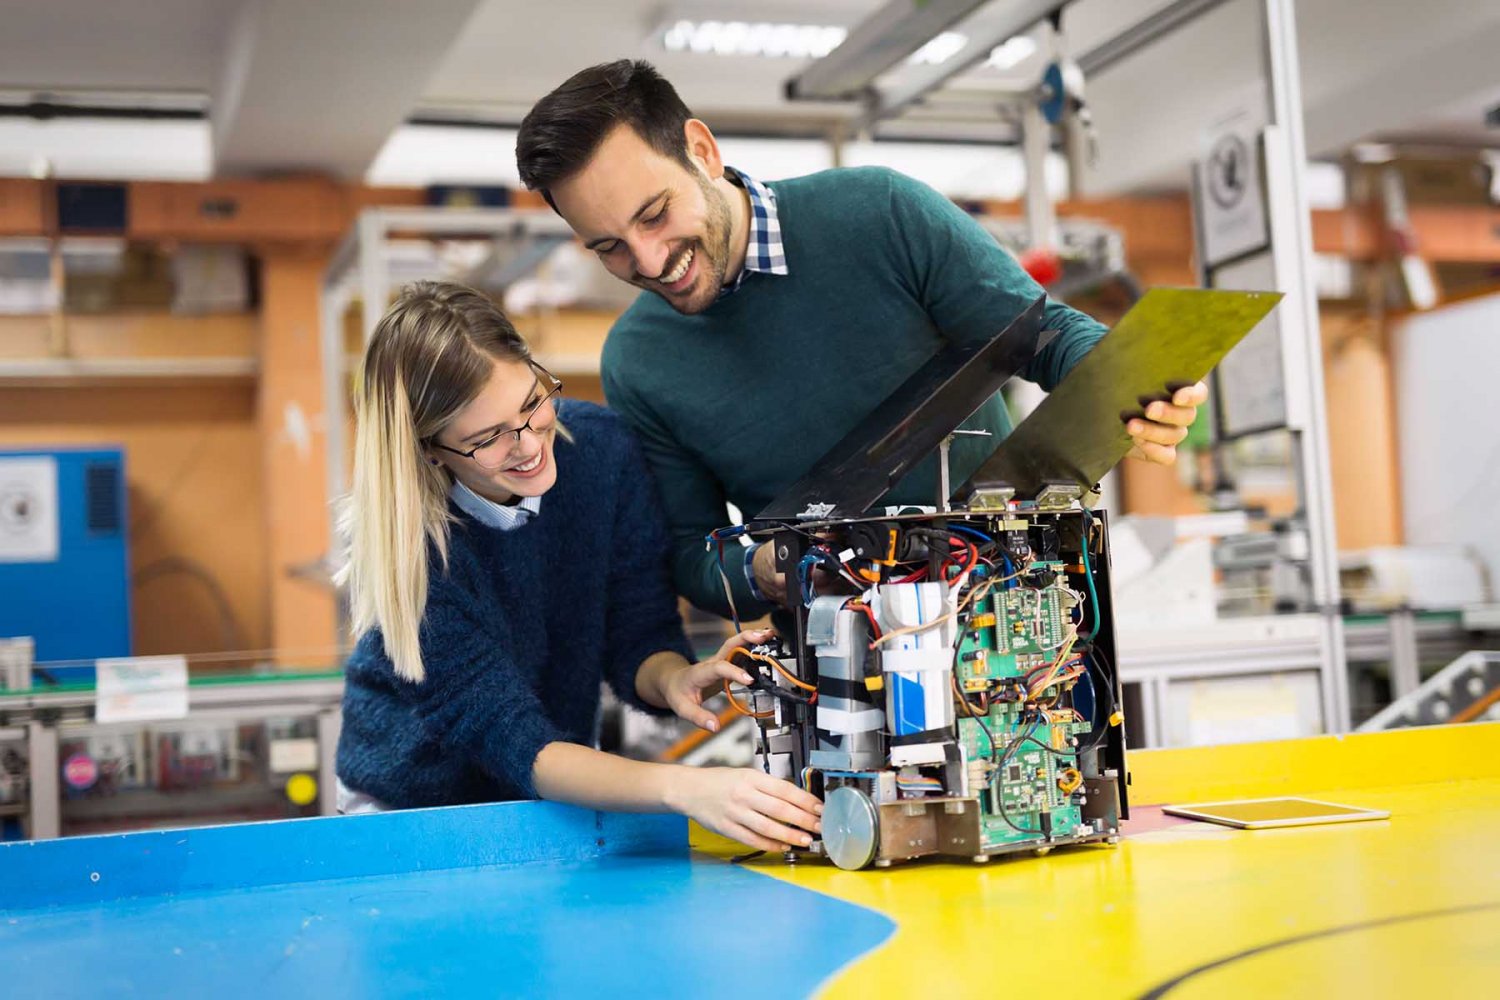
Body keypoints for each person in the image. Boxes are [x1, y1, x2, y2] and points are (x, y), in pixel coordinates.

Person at [515, 60, 1207, 618]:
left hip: (1018, 622)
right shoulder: (637, 362)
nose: (647, 260)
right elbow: (695, 557)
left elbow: (1046, 334)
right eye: (609, 247)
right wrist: (763, 569)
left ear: (701, 150)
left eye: (656, 215)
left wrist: (1130, 383)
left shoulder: (877, 213)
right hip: (839, 676)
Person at [334, 280, 822, 853]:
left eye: (531, 402)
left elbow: (638, 630)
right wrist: (687, 789)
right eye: (489, 438)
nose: (527, 444)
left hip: (551, 786)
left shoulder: (601, 452)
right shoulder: (416, 557)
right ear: (430, 449)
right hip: (411, 812)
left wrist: (672, 678)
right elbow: (520, 746)